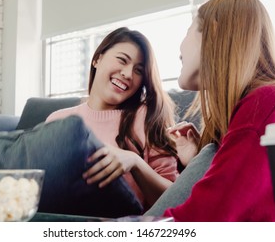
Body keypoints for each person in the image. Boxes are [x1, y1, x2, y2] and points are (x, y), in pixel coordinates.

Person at [163, 0, 275, 221]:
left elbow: (207, 217)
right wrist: (200, 161)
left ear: (213, 33)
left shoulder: (267, 102)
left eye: (188, 30)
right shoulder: (266, 103)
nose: (179, 52)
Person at [46, 27, 179, 210]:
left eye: (138, 70)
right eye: (122, 60)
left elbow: (176, 198)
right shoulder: (57, 120)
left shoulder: (147, 117)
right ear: (97, 59)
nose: (128, 74)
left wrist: (135, 162)